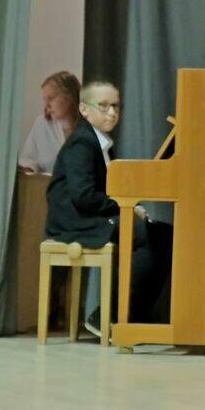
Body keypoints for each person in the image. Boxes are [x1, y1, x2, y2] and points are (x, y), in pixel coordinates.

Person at [45, 80, 173, 330]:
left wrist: (127, 207)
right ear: (83, 109)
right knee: (142, 233)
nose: (112, 112)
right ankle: (109, 316)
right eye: (103, 106)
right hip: (75, 221)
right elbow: (83, 196)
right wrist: (124, 207)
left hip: (91, 215)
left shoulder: (99, 142)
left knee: (165, 235)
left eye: (116, 106)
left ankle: (134, 313)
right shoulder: (81, 143)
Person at [18, 72, 81, 174]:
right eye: (45, 99)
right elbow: (28, 160)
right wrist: (27, 169)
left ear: (70, 97)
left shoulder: (91, 126)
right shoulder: (42, 124)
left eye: (51, 98)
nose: (46, 105)